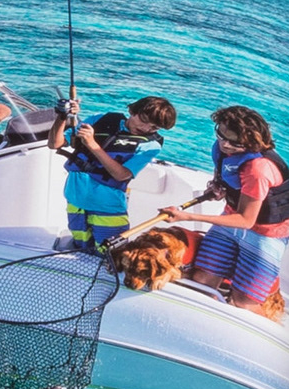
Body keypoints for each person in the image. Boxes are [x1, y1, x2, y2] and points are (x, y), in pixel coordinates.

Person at [161, 106, 289, 318]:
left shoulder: (258, 170)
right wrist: (217, 187)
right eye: (221, 136)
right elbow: (224, 174)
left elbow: (246, 221)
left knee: (243, 302)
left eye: (235, 143)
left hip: (264, 235)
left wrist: (186, 216)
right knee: (202, 281)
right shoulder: (222, 149)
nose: (226, 144)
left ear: (251, 142)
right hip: (230, 221)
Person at [48, 96, 177, 249]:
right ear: (132, 111)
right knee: (80, 248)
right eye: (144, 120)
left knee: (111, 253)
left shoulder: (151, 145)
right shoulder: (101, 120)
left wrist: (92, 144)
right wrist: (62, 116)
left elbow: (122, 175)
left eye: (154, 127)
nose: (146, 128)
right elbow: (54, 143)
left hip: (107, 208)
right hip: (75, 201)